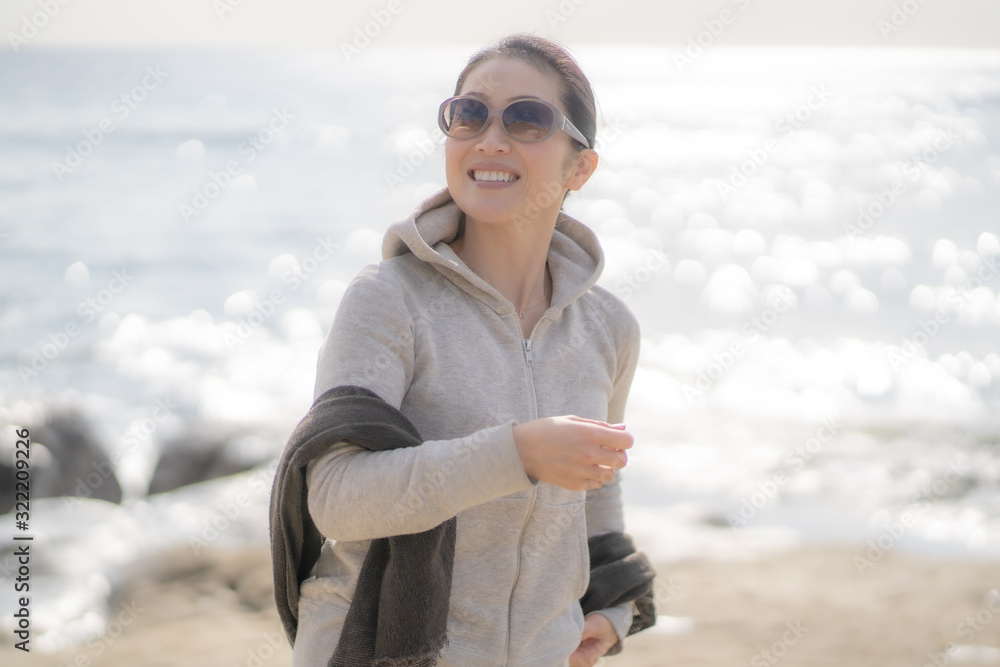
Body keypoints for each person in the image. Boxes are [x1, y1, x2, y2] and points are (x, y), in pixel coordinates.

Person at [289, 33, 650, 666]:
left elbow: (597, 486)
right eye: (470, 114)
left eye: (527, 119)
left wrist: (612, 610)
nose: (490, 140)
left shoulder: (608, 327)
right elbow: (336, 499)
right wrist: (517, 453)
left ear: (580, 168)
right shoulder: (388, 299)